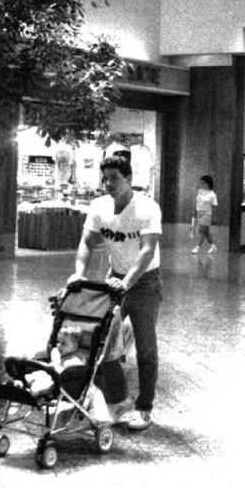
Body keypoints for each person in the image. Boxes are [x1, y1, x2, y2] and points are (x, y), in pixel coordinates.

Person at [67, 152, 162, 432]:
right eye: (105, 178)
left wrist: (127, 282)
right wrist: (79, 274)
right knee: (102, 342)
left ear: (129, 179)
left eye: (114, 179)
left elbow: (147, 251)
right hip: (115, 279)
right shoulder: (99, 206)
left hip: (144, 281)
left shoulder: (147, 208)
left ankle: (144, 408)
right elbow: (87, 242)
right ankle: (117, 402)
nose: (108, 183)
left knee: (146, 347)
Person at [190, 174, 218, 254]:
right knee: (206, 231)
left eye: (203, 183)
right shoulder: (200, 192)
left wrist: (214, 217)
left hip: (207, 213)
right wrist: (194, 211)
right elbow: (196, 202)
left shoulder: (212, 195)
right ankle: (213, 246)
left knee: (202, 230)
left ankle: (197, 247)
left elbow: (214, 206)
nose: (201, 184)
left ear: (207, 183)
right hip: (199, 212)